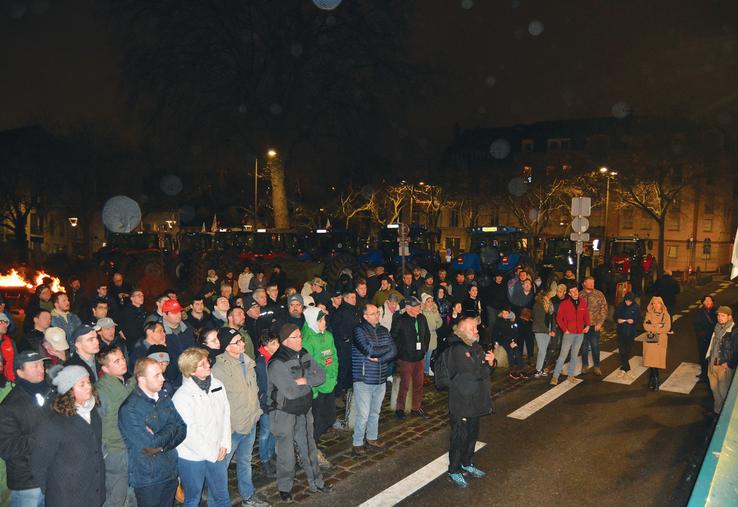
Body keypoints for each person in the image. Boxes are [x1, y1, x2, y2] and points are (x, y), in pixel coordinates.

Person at [268, 323, 331, 502]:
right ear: (286, 340)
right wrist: (307, 385)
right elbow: (290, 392)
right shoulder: (277, 362)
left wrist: (305, 381)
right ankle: (285, 488)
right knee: (286, 453)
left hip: (303, 410)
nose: (300, 340)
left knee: (309, 447)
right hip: (283, 413)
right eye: (296, 337)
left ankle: (316, 482)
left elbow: (321, 374)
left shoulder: (303, 353)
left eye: (300, 336)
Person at [31, 366, 105, 507]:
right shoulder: (54, 422)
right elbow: (39, 464)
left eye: (88, 382)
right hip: (66, 498)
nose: (88, 387)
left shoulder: (93, 413)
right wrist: (55, 490)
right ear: (68, 390)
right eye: (81, 384)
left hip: (93, 494)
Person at [212, 329, 269, 507]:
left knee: (245, 462)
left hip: (250, 421)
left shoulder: (247, 362)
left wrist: (257, 412)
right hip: (232, 428)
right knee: (220, 470)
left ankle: (248, 496)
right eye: (237, 342)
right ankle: (217, 503)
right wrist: (226, 429)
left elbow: (254, 390)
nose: (242, 344)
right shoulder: (219, 369)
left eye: (241, 340)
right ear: (228, 347)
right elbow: (217, 403)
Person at [119, 357, 186, 507]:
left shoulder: (163, 397)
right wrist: (171, 428)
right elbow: (149, 444)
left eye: (161, 374)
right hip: (148, 478)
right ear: (141, 379)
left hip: (170, 470)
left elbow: (182, 428)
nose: (163, 378)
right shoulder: (129, 409)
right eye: (156, 375)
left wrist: (162, 446)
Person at [172, 347, 232, 507]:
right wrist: (213, 453)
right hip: (192, 457)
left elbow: (226, 415)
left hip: (218, 450)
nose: (208, 365)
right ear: (191, 371)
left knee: (222, 495)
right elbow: (190, 433)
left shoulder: (217, 384)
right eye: (202, 364)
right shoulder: (181, 397)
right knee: (193, 498)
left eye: (206, 361)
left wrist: (224, 444)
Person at [445, 316, 495, 488]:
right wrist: (486, 365)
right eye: (472, 328)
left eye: (475, 327)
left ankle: (467, 463)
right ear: (462, 330)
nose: (476, 330)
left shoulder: (474, 345)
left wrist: (489, 362)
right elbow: (474, 373)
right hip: (461, 401)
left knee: (472, 434)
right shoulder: (458, 349)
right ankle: (453, 470)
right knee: (459, 437)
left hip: (475, 399)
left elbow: (483, 369)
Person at [0, 351, 53, 506]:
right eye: (35, 365)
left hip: (51, 474)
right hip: (28, 483)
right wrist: (43, 438)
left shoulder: (49, 393)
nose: (41, 369)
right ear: (20, 372)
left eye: (42, 364)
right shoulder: (10, 406)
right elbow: (6, 447)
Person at [351, 304, 396, 456]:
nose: (377, 315)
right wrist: (384, 349)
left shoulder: (383, 330)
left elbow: (394, 350)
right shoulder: (358, 330)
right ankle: (357, 442)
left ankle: (371, 437)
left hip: (380, 376)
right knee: (363, 414)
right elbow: (368, 350)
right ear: (365, 316)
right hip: (363, 377)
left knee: (375, 411)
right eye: (373, 313)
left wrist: (380, 358)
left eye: (377, 312)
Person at [95, 346, 136, 507]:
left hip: (128, 447)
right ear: (105, 368)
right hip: (115, 451)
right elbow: (95, 424)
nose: (123, 362)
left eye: (122, 358)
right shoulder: (101, 390)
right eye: (116, 361)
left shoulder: (126, 382)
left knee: (131, 494)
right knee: (116, 497)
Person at [300, 307, 338, 467]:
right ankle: (310, 451)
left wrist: (334, 376)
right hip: (315, 388)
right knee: (314, 421)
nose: (324, 323)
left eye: (324, 320)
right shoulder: (307, 340)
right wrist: (313, 387)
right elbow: (307, 367)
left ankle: (310, 446)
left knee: (329, 417)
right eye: (320, 320)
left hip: (329, 383)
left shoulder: (328, 335)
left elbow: (334, 357)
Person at [391, 297, 430, 418]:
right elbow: (393, 337)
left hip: (419, 357)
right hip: (406, 359)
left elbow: (427, 334)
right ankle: (400, 409)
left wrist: (424, 349)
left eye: (419, 306)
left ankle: (416, 407)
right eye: (417, 306)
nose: (419, 308)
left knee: (419, 384)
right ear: (408, 308)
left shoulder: (422, 318)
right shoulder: (400, 320)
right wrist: (400, 353)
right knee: (405, 385)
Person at [551, 284, 590, 386]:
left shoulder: (583, 302)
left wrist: (588, 325)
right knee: (562, 356)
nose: (575, 293)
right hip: (569, 333)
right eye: (572, 291)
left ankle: (571, 375)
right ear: (569, 293)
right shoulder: (564, 304)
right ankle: (555, 377)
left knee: (574, 355)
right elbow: (559, 318)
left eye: (576, 290)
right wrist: (565, 329)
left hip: (580, 333)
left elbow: (586, 314)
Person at [254, 332, 278, 479]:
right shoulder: (261, 362)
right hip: (266, 403)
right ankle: (264, 460)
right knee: (265, 433)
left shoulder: (275, 358)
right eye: (274, 343)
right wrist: (264, 400)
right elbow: (263, 384)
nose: (277, 345)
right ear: (265, 346)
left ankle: (271, 455)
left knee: (274, 430)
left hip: (277, 400)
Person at [705, 306, 738, 414]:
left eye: (723, 315)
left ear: (729, 317)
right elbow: (712, 344)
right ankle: (717, 412)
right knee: (715, 391)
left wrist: (729, 364)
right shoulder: (717, 327)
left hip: (724, 367)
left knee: (724, 393)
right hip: (713, 364)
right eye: (718, 315)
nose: (720, 318)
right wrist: (709, 358)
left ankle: (726, 415)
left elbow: (736, 350)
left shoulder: (734, 331)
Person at [162, 299, 196, 389]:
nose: (178, 315)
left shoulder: (188, 328)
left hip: (192, 374)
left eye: (179, 311)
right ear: (165, 315)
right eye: (174, 312)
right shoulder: (160, 333)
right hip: (173, 380)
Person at [580, 276, 608, 376]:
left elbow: (604, 309)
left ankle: (597, 366)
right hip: (582, 326)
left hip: (594, 326)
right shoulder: (580, 295)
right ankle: (585, 365)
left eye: (593, 282)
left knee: (595, 346)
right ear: (584, 283)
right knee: (583, 347)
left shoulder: (599, 294)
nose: (592, 284)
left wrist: (600, 323)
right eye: (590, 282)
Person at [642, 296, 671, 391]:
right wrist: (658, 326)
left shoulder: (666, 314)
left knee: (657, 362)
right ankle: (653, 380)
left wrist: (653, 327)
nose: (656, 305)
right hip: (651, 339)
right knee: (651, 361)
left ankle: (655, 380)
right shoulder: (649, 313)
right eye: (654, 303)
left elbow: (667, 328)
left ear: (661, 304)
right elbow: (646, 326)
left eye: (658, 303)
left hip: (661, 341)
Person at [492, 308, 526, 380]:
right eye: (503, 313)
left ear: (509, 314)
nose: (505, 315)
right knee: (510, 351)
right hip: (503, 340)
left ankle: (521, 369)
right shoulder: (498, 321)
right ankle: (512, 369)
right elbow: (495, 333)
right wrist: (495, 342)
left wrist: (514, 341)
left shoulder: (512, 321)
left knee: (517, 350)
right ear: (501, 313)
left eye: (506, 313)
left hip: (512, 340)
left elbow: (516, 333)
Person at [615, 292, 642, 378]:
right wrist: (617, 319)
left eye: (630, 301)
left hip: (631, 332)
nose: (628, 303)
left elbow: (640, 318)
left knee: (628, 350)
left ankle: (624, 368)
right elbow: (614, 316)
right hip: (621, 331)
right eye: (626, 301)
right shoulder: (620, 306)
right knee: (622, 350)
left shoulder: (636, 307)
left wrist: (633, 321)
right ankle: (627, 368)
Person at [694, 295, 717, 382]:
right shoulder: (700, 312)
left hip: (714, 338)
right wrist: (700, 334)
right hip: (703, 339)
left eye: (709, 300)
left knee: (712, 357)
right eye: (705, 301)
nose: (707, 302)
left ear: (712, 302)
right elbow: (696, 324)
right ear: (703, 302)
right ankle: (704, 374)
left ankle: (711, 374)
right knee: (703, 355)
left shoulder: (717, 311)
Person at [532, 291, 555, 377]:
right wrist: (548, 331)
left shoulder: (549, 305)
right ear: (543, 298)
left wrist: (552, 330)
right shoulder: (537, 306)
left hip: (547, 330)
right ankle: (538, 369)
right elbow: (539, 322)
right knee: (542, 350)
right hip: (540, 331)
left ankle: (541, 368)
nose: (549, 297)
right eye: (547, 296)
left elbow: (552, 319)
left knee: (544, 350)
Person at [119, 288, 147, 357]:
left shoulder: (143, 310)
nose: (141, 297)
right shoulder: (127, 311)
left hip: (143, 340)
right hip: (134, 343)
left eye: (142, 295)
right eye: (138, 295)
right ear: (132, 298)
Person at [421, 293, 443, 376]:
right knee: (423, 354)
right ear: (424, 303)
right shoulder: (422, 311)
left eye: (431, 301)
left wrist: (436, 326)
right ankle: (423, 369)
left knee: (429, 354)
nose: (430, 303)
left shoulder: (435, 311)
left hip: (432, 336)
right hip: (424, 336)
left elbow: (440, 321)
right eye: (428, 301)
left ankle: (426, 369)